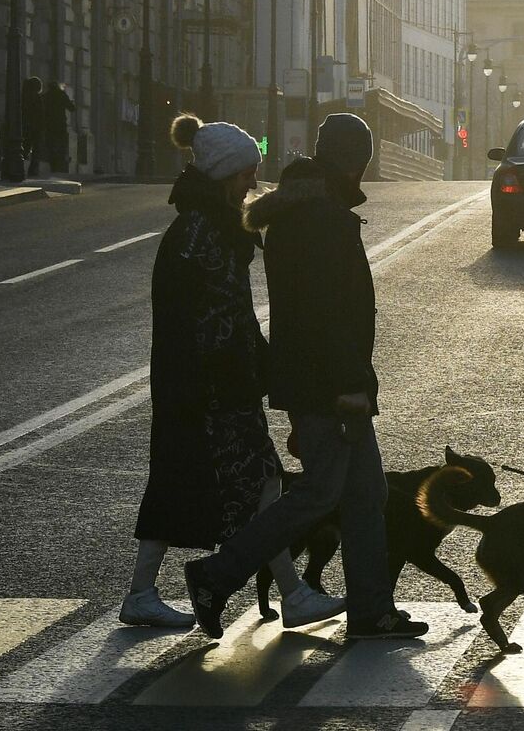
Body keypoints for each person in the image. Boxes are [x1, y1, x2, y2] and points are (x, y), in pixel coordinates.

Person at [183, 113, 428, 642]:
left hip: (315, 376)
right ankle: (215, 574)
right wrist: (350, 386)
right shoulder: (323, 219)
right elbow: (330, 313)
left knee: (366, 494)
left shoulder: (301, 210)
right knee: (319, 493)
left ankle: (370, 610)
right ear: (355, 159)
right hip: (330, 383)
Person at [122, 113, 347, 630]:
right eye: (246, 173)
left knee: (230, 484)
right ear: (224, 174)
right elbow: (215, 316)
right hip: (210, 387)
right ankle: (289, 595)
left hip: (207, 382)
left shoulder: (206, 224)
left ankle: (287, 594)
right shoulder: (202, 231)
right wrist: (250, 369)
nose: (251, 182)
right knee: (241, 483)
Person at [21, 77, 45, 177]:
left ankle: (21, 167)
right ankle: (33, 170)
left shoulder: (24, 96)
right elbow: (41, 113)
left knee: (26, 147)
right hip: (36, 127)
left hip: (26, 126)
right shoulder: (37, 97)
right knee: (36, 149)